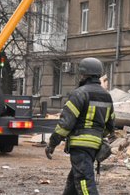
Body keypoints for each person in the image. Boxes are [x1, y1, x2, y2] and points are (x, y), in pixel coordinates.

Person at [45, 57, 115, 195]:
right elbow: (110, 126)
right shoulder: (107, 96)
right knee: (74, 181)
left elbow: (65, 124)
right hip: (95, 146)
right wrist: (96, 136)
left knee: (84, 183)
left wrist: (52, 144)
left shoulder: (79, 94)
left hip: (80, 146)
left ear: (83, 75)